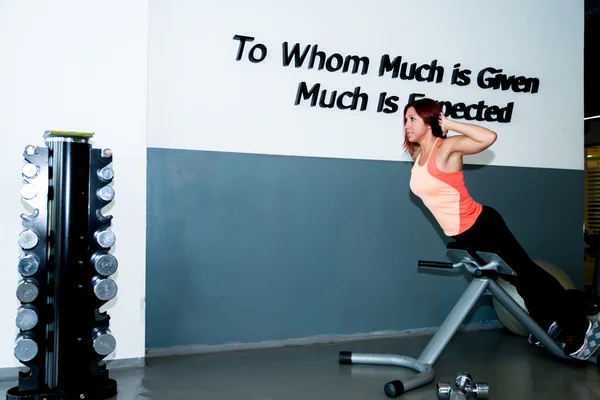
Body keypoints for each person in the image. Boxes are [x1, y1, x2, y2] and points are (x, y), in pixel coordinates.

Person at [404, 97, 600, 360]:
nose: (406, 124)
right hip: (462, 236)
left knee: (529, 276)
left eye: (412, 118)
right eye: (405, 119)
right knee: (517, 279)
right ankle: (551, 323)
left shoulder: (446, 148)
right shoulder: (419, 154)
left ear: (429, 121)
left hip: (483, 226)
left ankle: (580, 325)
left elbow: (488, 137)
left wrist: (450, 123)